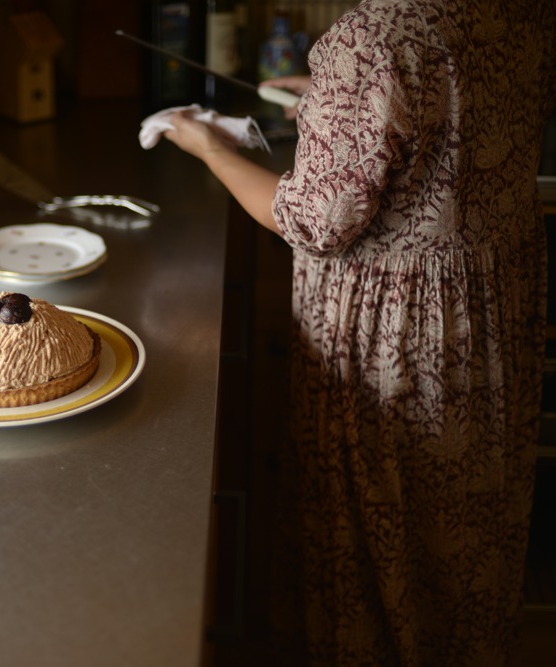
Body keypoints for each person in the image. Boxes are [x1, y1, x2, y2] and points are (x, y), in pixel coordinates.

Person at [159, 1, 556, 664]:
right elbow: (442, 114)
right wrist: (331, 107)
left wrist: (209, 148)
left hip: (395, 343)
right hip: (487, 322)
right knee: (462, 539)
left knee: (380, 555)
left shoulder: (373, 39)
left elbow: (314, 221)